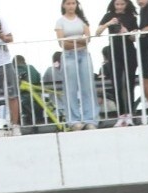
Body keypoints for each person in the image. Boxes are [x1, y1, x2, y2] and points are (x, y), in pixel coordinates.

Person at [57, 0, 100, 130]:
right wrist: (78, 41)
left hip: (83, 55)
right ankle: (73, 120)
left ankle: (90, 119)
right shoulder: (60, 22)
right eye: (68, 3)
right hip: (69, 56)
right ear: (64, 5)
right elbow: (62, 43)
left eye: (73, 3)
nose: (71, 6)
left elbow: (88, 39)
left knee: (88, 88)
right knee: (70, 89)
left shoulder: (82, 20)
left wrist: (72, 41)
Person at [96, 0, 140, 124]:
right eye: (117, 4)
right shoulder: (109, 15)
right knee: (117, 84)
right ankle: (121, 114)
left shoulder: (131, 17)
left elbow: (134, 38)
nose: (120, 7)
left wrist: (127, 32)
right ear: (113, 5)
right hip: (114, 52)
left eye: (122, 4)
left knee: (129, 83)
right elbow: (97, 32)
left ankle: (130, 113)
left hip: (129, 51)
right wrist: (109, 23)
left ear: (126, 4)